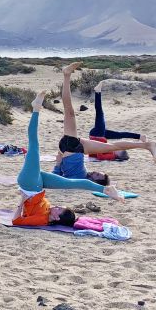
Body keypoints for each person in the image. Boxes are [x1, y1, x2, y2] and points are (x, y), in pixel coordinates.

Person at [14, 90, 125, 227]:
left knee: (34, 143)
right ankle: (106, 190)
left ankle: (36, 108)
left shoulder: (42, 218)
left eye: (59, 209)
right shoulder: (49, 212)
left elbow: (16, 221)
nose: (58, 206)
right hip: (39, 186)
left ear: (56, 218)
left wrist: (21, 202)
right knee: (73, 182)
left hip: (29, 185)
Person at [54, 63, 156, 186]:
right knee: (112, 143)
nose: (96, 172)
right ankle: (146, 145)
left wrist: (57, 164)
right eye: (99, 173)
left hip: (71, 149)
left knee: (69, 111)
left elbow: (56, 178)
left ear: (95, 181)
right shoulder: (84, 176)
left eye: (97, 175)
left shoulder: (83, 182)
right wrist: (59, 162)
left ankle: (67, 75)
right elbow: (57, 176)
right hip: (74, 149)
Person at [86, 85, 146, 161]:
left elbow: (99, 156)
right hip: (101, 136)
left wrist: (102, 151)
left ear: (118, 154)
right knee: (120, 134)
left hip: (97, 136)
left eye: (120, 149)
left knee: (100, 113)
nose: (119, 147)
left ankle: (98, 92)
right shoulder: (110, 151)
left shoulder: (111, 155)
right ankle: (140, 136)